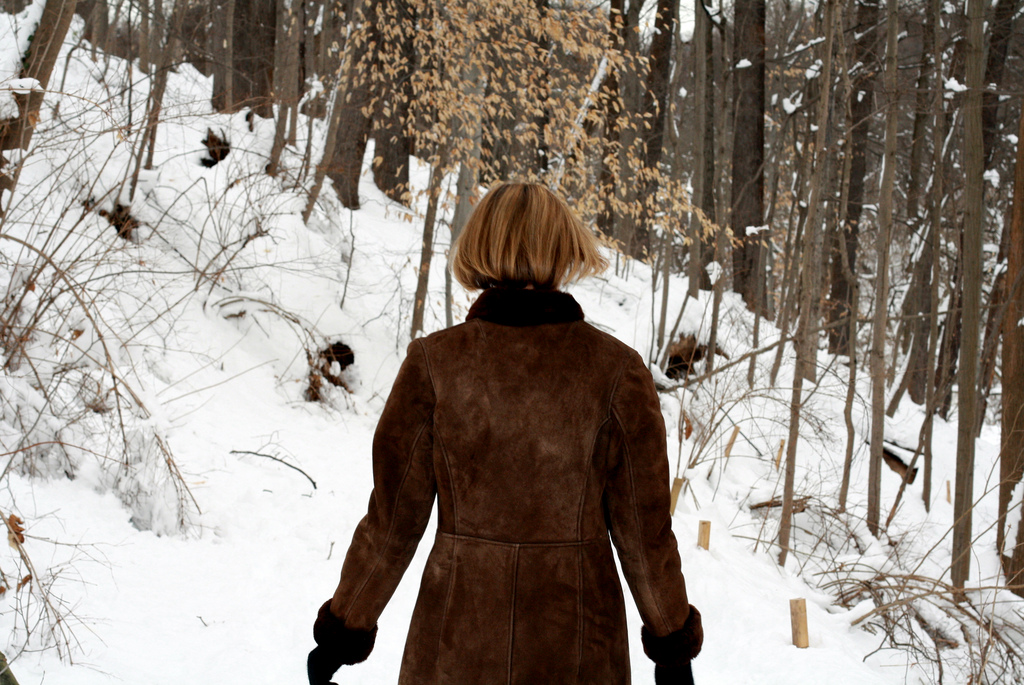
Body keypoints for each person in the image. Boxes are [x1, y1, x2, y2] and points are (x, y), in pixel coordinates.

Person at [307, 182, 703, 685]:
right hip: (580, 649)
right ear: (565, 250)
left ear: (480, 246)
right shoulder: (616, 372)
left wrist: (341, 633)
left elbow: (391, 526)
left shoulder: (434, 365)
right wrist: (672, 644)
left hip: (454, 647)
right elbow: (645, 537)